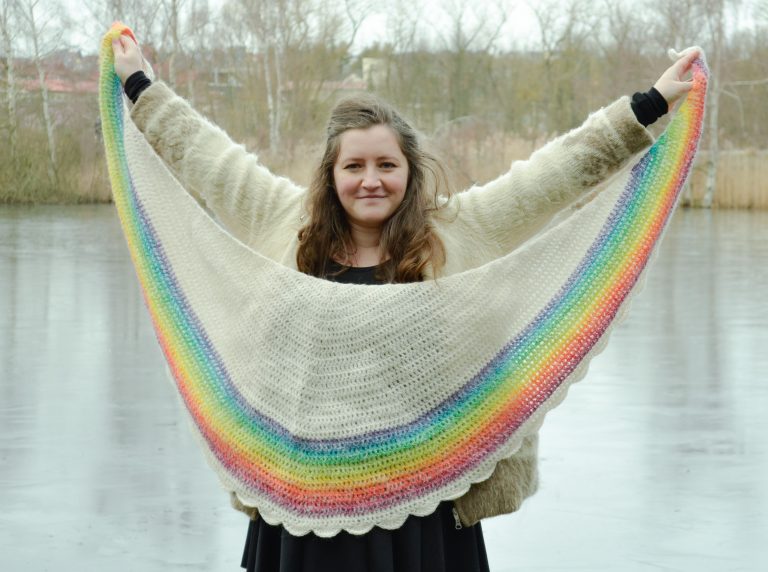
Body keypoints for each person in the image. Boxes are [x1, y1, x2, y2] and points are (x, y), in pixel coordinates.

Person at [111, 33, 698, 572]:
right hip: (300, 505)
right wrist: (140, 86)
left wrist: (651, 103)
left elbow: (558, 170)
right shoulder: (281, 221)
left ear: (409, 172)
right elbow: (207, 157)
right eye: (355, 166)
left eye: (387, 165)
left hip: (425, 507)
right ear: (332, 174)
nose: (371, 180)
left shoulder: (460, 231)